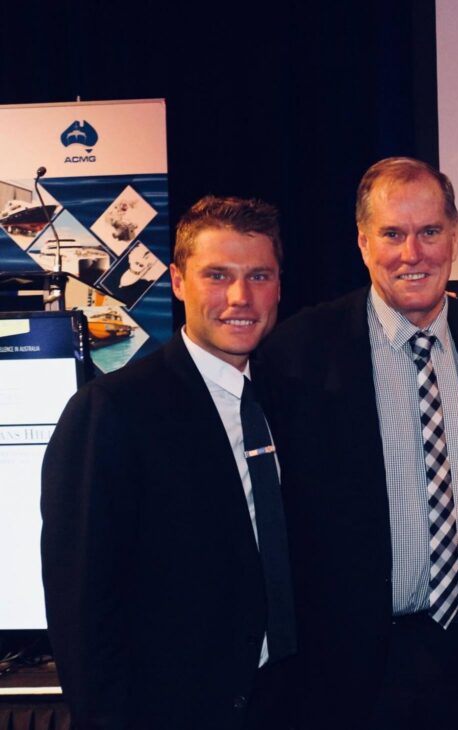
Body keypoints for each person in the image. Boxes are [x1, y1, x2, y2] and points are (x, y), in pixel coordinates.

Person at [259, 157, 458, 729]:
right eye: (393, 235)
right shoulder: (298, 351)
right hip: (353, 670)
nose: (413, 253)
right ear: (362, 242)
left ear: (454, 237)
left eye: (429, 232)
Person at [41, 196, 295, 729]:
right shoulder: (111, 411)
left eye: (259, 275)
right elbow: (83, 613)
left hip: (286, 703)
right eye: (217, 275)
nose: (239, 297)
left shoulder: (292, 398)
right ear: (178, 281)